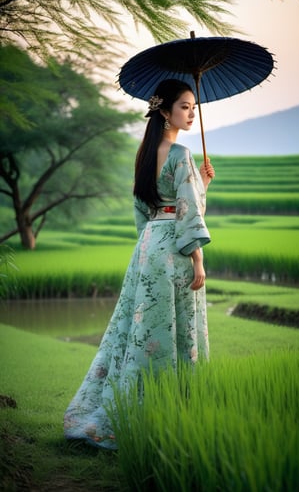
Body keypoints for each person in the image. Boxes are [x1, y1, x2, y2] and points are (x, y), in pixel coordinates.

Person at [64, 79, 215, 449]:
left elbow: (146, 210)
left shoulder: (145, 154)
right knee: (174, 331)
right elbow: (188, 212)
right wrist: (197, 259)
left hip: (148, 248)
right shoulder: (180, 154)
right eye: (184, 106)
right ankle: (171, 409)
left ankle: (135, 407)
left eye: (194, 107)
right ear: (164, 111)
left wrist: (203, 184)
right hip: (175, 253)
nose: (191, 113)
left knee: (142, 332)